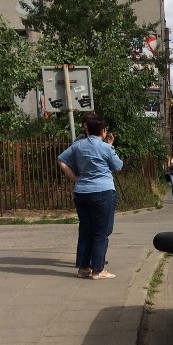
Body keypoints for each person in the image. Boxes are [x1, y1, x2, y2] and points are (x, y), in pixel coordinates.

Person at [57, 116, 123, 280]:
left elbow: (61, 159)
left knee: (85, 230)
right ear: (103, 131)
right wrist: (109, 147)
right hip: (102, 191)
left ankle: (83, 267)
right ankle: (98, 269)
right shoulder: (105, 147)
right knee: (101, 232)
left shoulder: (78, 145)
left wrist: (74, 177)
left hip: (81, 192)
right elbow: (118, 166)